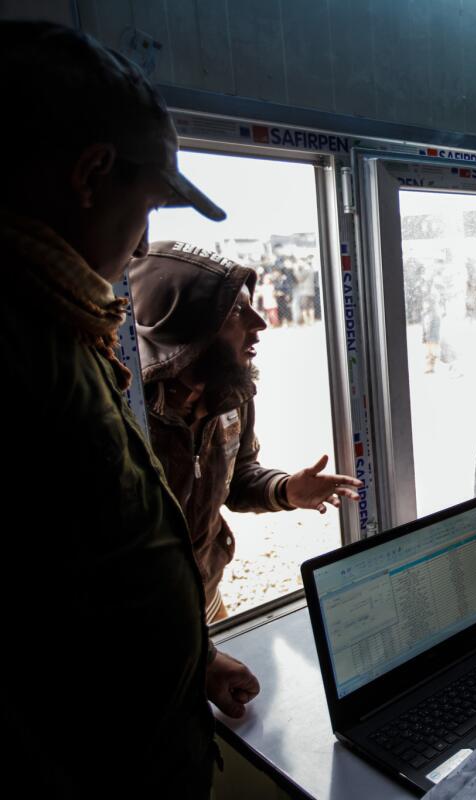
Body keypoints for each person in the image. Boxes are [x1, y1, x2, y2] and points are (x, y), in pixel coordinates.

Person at [2, 21, 258, 796]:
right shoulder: (20, 349)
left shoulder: (60, 327)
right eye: (145, 205)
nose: (141, 238)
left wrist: (193, 659)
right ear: (91, 173)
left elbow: (85, 570)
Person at [130, 241, 364, 622]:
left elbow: (236, 478)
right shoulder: (128, 414)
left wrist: (286, 490)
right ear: (188, 326)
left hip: (205, 598)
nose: (260, 323)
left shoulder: (229, 395)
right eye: (237, 310)